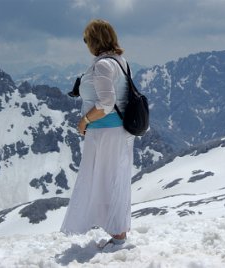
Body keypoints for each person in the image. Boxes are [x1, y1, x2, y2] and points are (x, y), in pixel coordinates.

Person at [61, 19, 134, 248]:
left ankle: (118, 236)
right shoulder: (120, 61)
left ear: (94, 40)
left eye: (86, 40)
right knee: (113, 179)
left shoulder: (103, 65)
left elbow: (106, 103)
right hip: (117, 130)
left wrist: (84, 120)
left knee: (104, 181)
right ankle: (117, 233)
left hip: (105, 131)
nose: (85, 44)